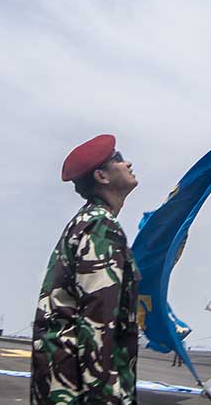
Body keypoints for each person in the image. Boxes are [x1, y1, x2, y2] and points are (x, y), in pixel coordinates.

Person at [31, 134, 140, 405]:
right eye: (118, 158)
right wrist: (105, 398)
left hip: (61, 383)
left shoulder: (85, 222)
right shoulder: (100, 227)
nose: (128, 163)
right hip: (78, 390)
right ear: (102, 176)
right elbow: (98, 322)